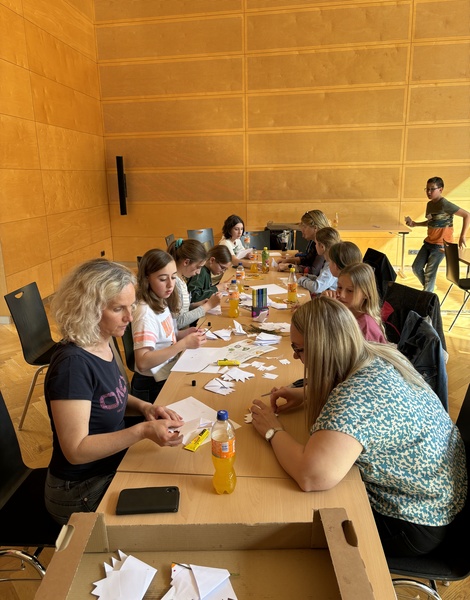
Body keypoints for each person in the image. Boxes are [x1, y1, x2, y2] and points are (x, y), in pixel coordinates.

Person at [250, 298, 467, 558]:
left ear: (323, 348)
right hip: (442, 494)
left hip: (416, 520)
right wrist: (307, 393)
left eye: (299, 349)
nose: (296, 356)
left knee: (299, 519)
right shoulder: (377, 354)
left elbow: (312, 476)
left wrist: (272, 430)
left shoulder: (358, 394)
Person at [44, 259, 185, 525]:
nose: (129, 317)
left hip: (110, 463)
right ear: (89, 309)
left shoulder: (103, 340)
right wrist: (142, 430)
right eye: (118, 308)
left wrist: (145, 407)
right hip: (79, 490)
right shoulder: (72, 366)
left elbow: (110, 396)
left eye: (131, 306)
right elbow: (76, 450)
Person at [131, 249, 207, 402]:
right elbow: (143, 362)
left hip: (165, 372)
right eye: (162, 279)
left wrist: (184, 334)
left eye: (173, 277)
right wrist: (183, 344)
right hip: (151, 384)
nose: (170, 285)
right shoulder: (145, 313)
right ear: (147, 279)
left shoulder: (162, 300)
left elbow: (166, 337)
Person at [406, 176, 469, 292]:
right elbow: (431, 222)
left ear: (440, 189)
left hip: (441, 245)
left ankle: (428, 296)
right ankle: (429, 290)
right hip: (429, 242)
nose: (429, 192)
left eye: (432, 189)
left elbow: (467, 215)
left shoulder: (445, 204)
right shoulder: (429, 205)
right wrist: (415, 224)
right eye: (427, 189)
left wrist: (462, 236)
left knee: (430, 273)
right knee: (416, 268)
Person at [167, 238, 221, 329]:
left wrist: (196, 305)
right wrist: (207, 306)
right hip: (180, 333)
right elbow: (177, 322)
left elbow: (182, 309)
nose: (199, 272)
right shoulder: (174, 284)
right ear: (186, 262)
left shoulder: (181, 279)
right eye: (198, 267)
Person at [336, 263, 387, 343]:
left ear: (366, 294)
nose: (341, 295)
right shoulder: (345, 311)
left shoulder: (366, 326)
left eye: (349, 290)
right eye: (339, 287)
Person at [277, 210, 330, 274]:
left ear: (315, 228)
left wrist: (290, 267)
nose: (302, 230)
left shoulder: (324, 243)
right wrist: (287, 261)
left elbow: (314, 271)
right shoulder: (315, 241)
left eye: (304, 227)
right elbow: (308, 259)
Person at [297, 226, 341, 296]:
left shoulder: (332, 265)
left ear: (322, 247)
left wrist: (301, 279)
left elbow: (317, 288)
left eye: (316, 244)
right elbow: (322, 280)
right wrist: (308, 277)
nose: (315, 246)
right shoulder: (328, 261)